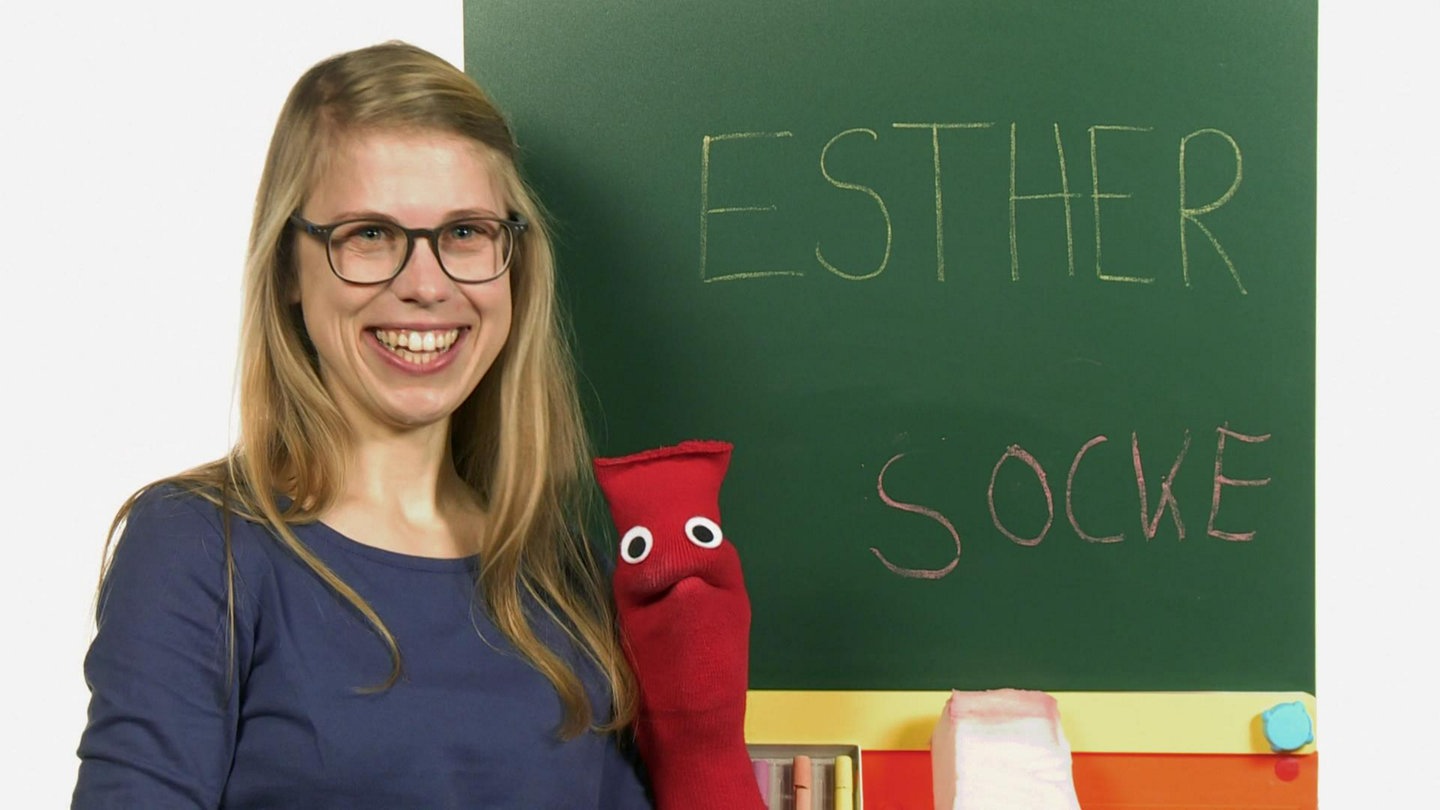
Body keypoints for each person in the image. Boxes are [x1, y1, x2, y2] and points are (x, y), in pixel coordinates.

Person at [72, 41, 651, 809]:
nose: (426, 285)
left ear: (514, 260)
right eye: (370, 235)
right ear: (288, 267)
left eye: (466, 232)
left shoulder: (568, 577)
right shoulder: (200, 550)